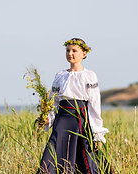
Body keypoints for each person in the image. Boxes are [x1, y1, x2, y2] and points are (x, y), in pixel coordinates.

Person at [38, 38, 111, 174]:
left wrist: (97, 133)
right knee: (52, 154)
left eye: (74, 51)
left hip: (80, 120)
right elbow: (53, 102)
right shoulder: (60, 75)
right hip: (61, 121)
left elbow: (94, 105)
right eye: (67, 50)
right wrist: (48, 118)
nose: (70, 53)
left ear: (84, 53)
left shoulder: (89, 76)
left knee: (86, 158)